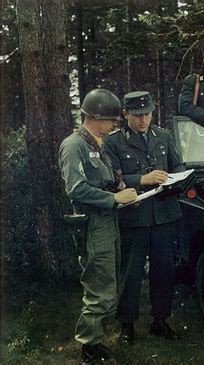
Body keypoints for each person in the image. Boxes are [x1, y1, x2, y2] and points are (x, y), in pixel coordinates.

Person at [59, 88, 137, 364]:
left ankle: (95, 341)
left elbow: (100, 181)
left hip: (108, 223)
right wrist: (114, 198)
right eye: (111, 120)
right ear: (95, 117)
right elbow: (76, 188)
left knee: (107, 286)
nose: (114, 125)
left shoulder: (95, 145)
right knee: (98, 290)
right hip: (93, 225)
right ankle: (89, 349)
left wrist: (119, 187)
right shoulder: (75, 145)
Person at [103, 91, 184, 345]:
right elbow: (111, 180)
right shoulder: (113, 142)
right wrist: (142, 180)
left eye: (147, 114)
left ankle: (160, 321)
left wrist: (175, 178)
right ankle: (127, 325)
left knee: (165, 271)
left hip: (163, 214)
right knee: (131, 272)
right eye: (138, 115)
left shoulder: (163, 136)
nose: (143, 120)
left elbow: (178, 165)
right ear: (125, 115)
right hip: (134, 216)